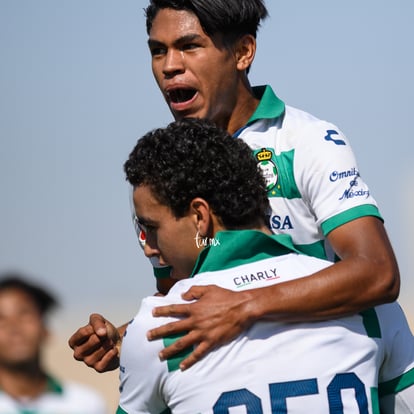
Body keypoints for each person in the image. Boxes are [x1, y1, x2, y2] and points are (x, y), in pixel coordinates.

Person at [69, 0, 400, 372]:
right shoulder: (167, 165)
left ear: (243, 52)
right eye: (157, 50)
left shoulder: (307, 141)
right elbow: (186, 299)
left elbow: (377, 273)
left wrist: (244, 305)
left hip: (363, 367)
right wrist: (129, 339)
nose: (169, 65)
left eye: (189, 46)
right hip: (262, 371)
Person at [117, 118, 414, 413]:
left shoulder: (158, 327)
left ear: (200, 217)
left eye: (151, 228)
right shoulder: (372, 307)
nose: (148, 247)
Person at [0, 273, 108, 414]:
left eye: (24, 314)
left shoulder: (87, 405)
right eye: (1, 318)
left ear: (45, 329)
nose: (14, 327)